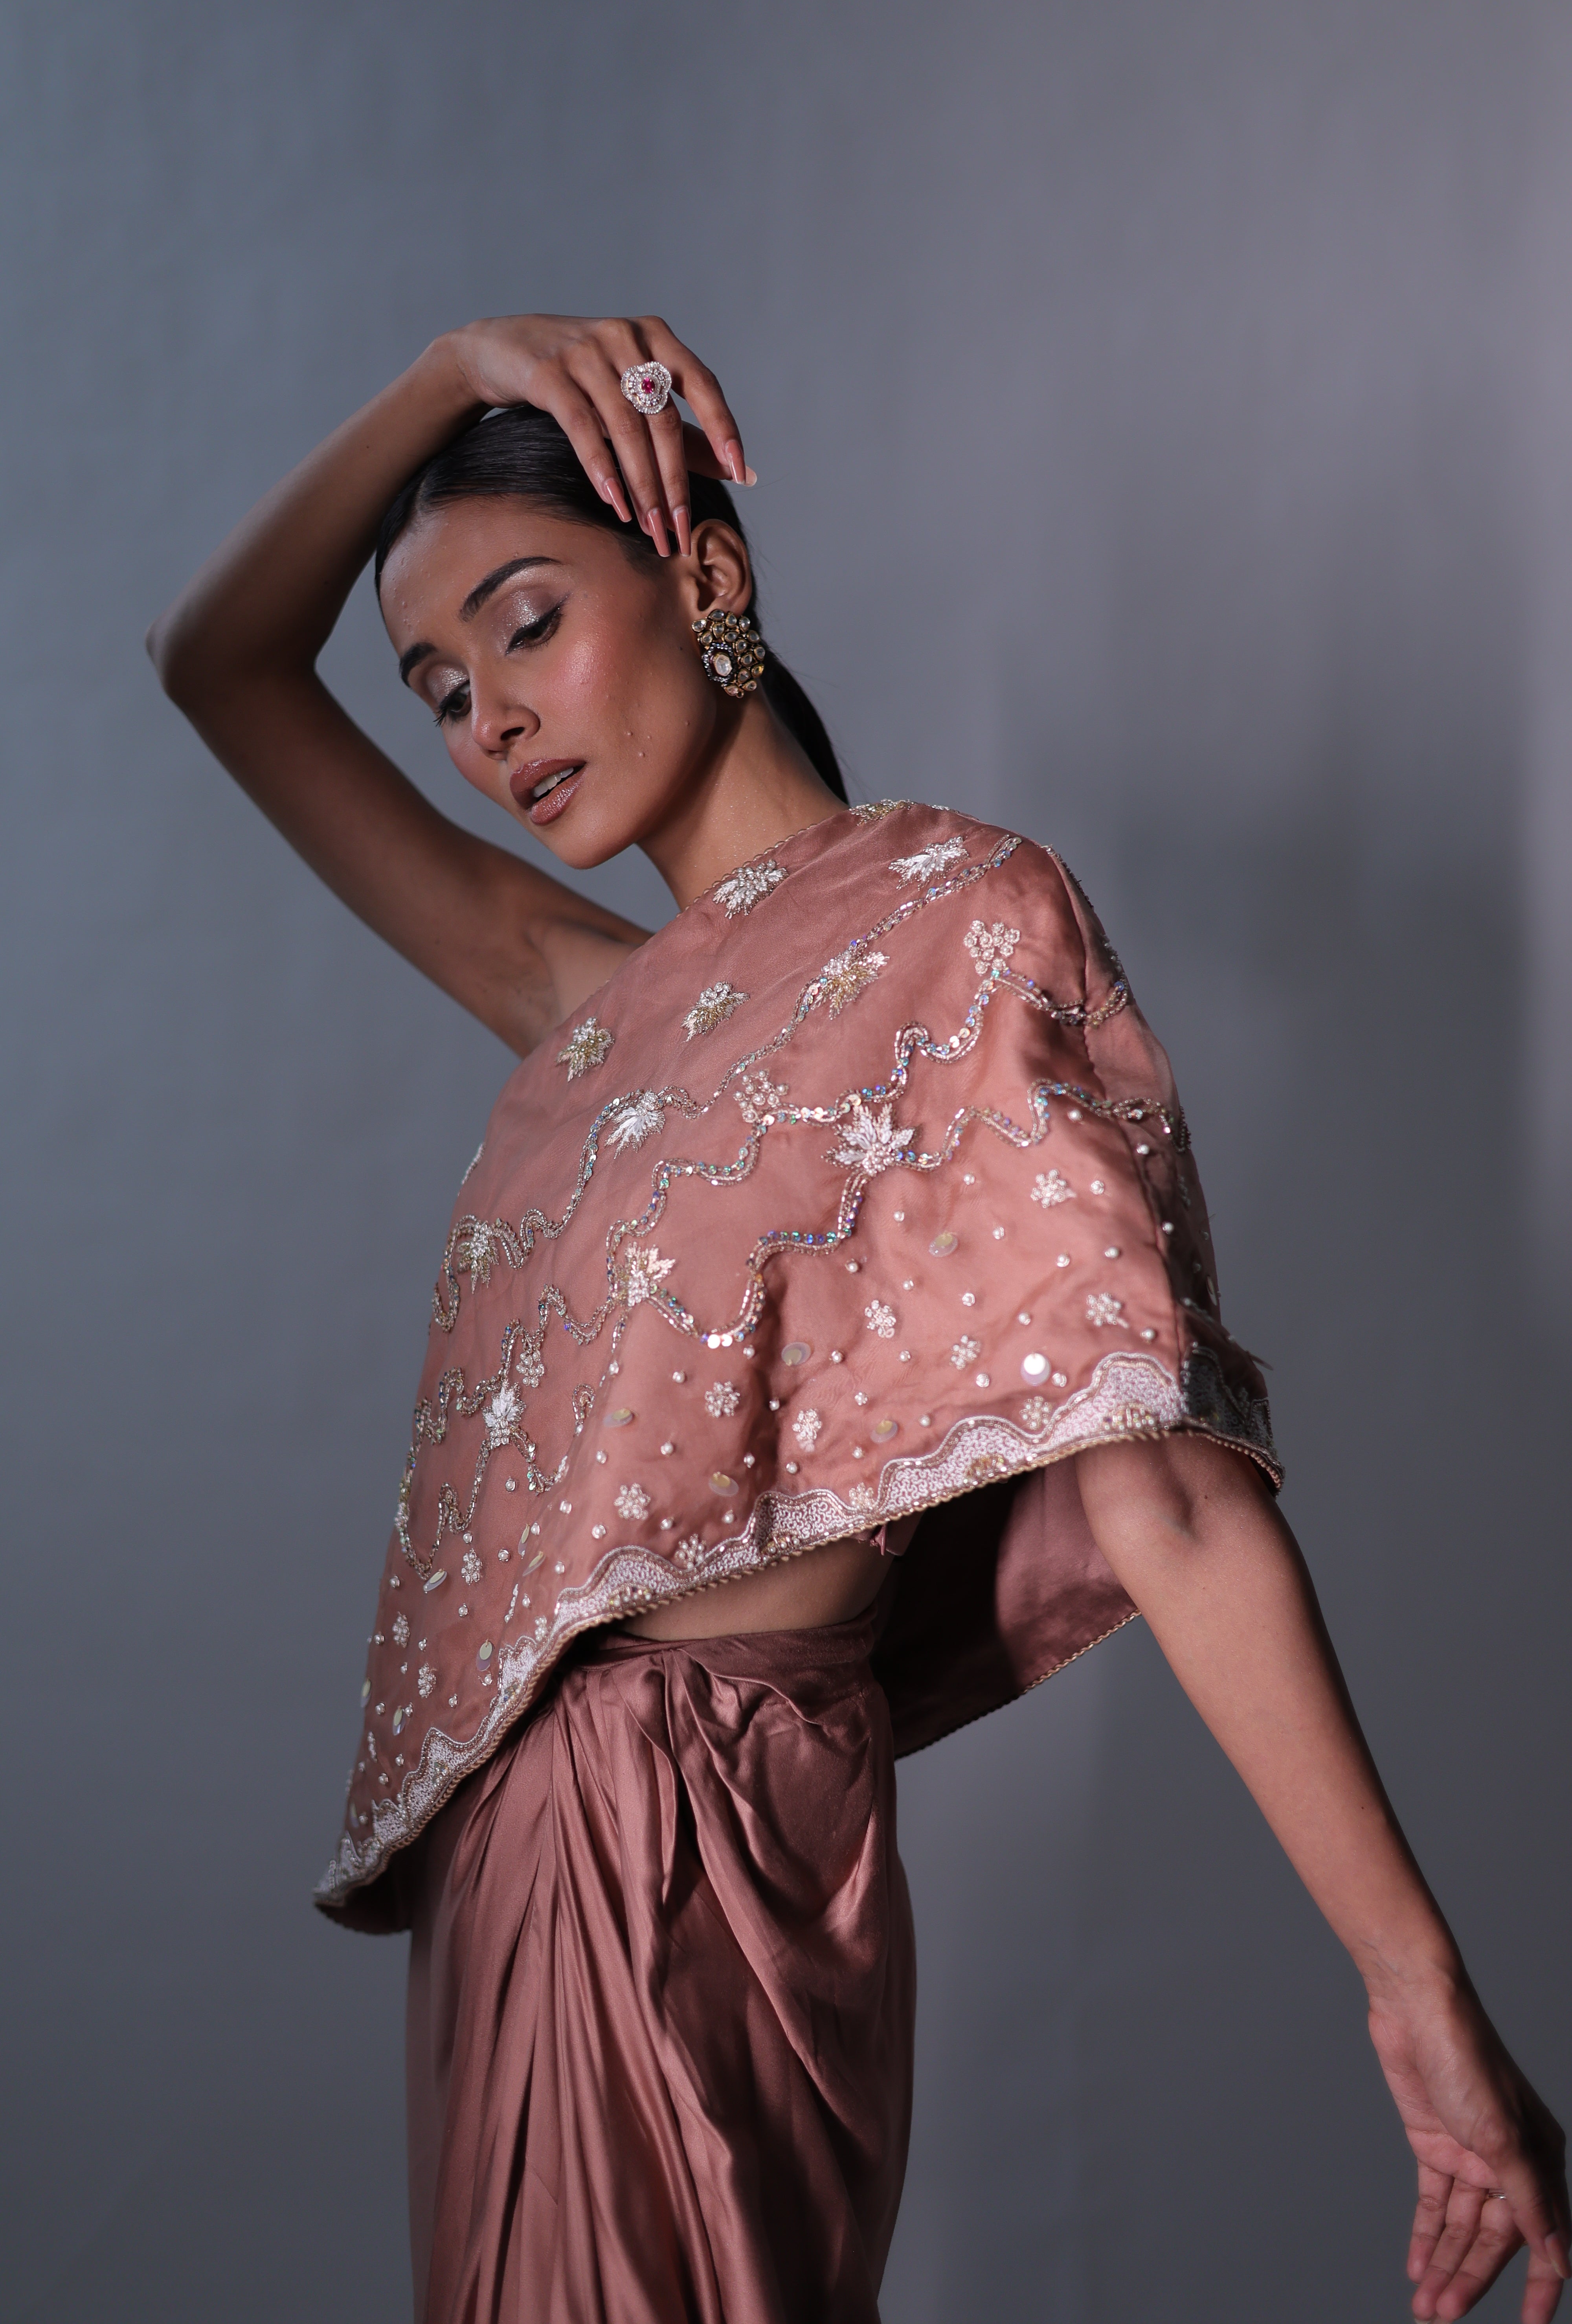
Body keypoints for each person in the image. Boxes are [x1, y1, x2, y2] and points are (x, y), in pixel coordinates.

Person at [149, 313, 1567, 2324]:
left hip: (714, 1853)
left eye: (528, 623)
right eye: (442, 690)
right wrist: (452, 368)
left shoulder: (957, 915)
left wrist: (1413, 1993)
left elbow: (1163, 1491)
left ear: (704, 576)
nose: (489, 722)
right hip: (514, 1872)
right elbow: (212, 664)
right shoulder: (581, 1001)